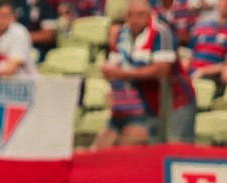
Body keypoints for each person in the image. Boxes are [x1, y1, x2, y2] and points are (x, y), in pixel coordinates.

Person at [94, 0, 196, 147]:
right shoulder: (121, 35)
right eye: (130, 15)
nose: (135, 19)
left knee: (177, 148)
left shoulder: (162, 31)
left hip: (177, 101)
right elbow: (115, 66)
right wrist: (109, 71)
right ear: (125, 16)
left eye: (140, 15)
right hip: (149, 104)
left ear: (149, 14)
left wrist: (123, 74)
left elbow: (162, 69)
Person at [188, 0, 227, 97]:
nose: (224, 4)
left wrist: (202, 71)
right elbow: (189, 56)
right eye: (223, 1)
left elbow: (225, 66)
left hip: (210, 77)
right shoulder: (202, 26)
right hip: (192, 74)